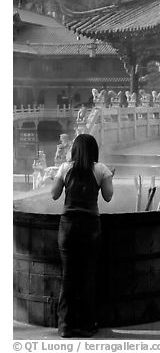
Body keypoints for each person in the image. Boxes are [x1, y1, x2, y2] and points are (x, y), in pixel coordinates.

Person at [51, 134, 115, 338]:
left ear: (74, 150)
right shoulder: (101, 169)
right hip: (90, 227)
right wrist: (109, 178)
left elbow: (54, 194)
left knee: (68, 276)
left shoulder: (65, 168)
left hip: (68, 227)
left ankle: (65, 326)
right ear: (94, 150)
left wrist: (58, 178)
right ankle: (87, 325)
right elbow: (108, 196)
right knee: (88, 276)